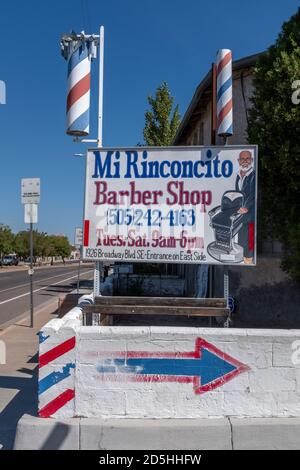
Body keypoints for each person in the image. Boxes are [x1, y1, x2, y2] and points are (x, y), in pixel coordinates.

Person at [235, 150, 255, 264]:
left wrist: (246, 207)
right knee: (242, 238)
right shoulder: (238, 176)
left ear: (251, 160)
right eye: (242, 159)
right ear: (239, 161)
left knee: (250, 239)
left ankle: (249, 259)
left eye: (247, 159)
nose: (245, 161)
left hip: (251, 216)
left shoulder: (253, 175)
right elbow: (238, 194)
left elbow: (253, 193)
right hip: (241, 216)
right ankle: (244, 259)